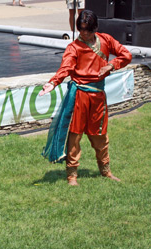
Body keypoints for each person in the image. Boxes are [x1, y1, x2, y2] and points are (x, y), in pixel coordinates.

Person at [39, 10, 131, 186]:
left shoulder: (106, 40)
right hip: (79, 95)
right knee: (75, 135)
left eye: (88, 30)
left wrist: (111, 65)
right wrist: (53, 82)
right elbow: (65, 68)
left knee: (100, 134)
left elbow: (126, 55)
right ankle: (72, 175)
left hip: (98, 96)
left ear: (95, 28)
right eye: (81, 30)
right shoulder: (73, 47)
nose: (84, 33)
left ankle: (106, 170)